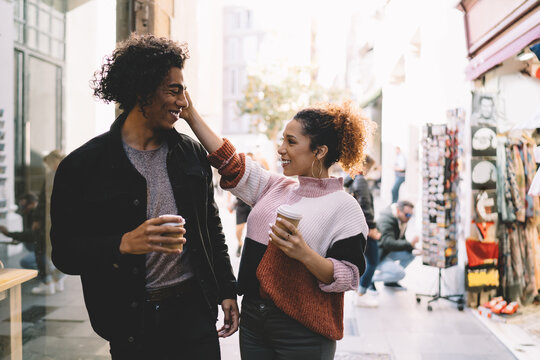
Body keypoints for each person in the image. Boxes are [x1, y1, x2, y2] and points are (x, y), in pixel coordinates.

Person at [50, 35, 238, 360]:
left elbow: (211, 228)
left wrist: (226, 290)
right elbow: (64, 254)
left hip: (195, 315)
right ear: (143, 91)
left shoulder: (190, 154)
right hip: (131, 324)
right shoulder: (83, 166)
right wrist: (122, 243)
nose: (184, 102)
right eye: (174, 89)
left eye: (184, 90)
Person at [182, 95, 370, 359]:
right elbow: (229, 161)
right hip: (253, 321)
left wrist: (304, 254)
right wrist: (190, 115)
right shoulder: (276, 186)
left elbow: (349, 276)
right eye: (283, 140)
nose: (281, 148)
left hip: (303, 330)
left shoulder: (344, 207)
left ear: (319, 151)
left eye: (291, 142)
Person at [344, 155, 382, 307]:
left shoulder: (351, 180)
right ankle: (361, 294)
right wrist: (372, 228)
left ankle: (361, 293)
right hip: (366, 227)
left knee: (367, 260)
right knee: (373, 261)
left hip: (358, 226)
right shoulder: (361, 181)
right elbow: (365, 205)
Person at [372, 200, 419, 289]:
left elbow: (401, 240)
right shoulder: (386, 220)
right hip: (378, 255)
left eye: (411, 215)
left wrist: (413, 248)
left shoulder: (401, 220)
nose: (409, 218)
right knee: (400, 274)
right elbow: (388, 243)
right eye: (407, 215)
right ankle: (369, 279)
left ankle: (390, 281)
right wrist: (410, 244)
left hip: (387, 251)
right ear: (398, 211)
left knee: (411, 254)